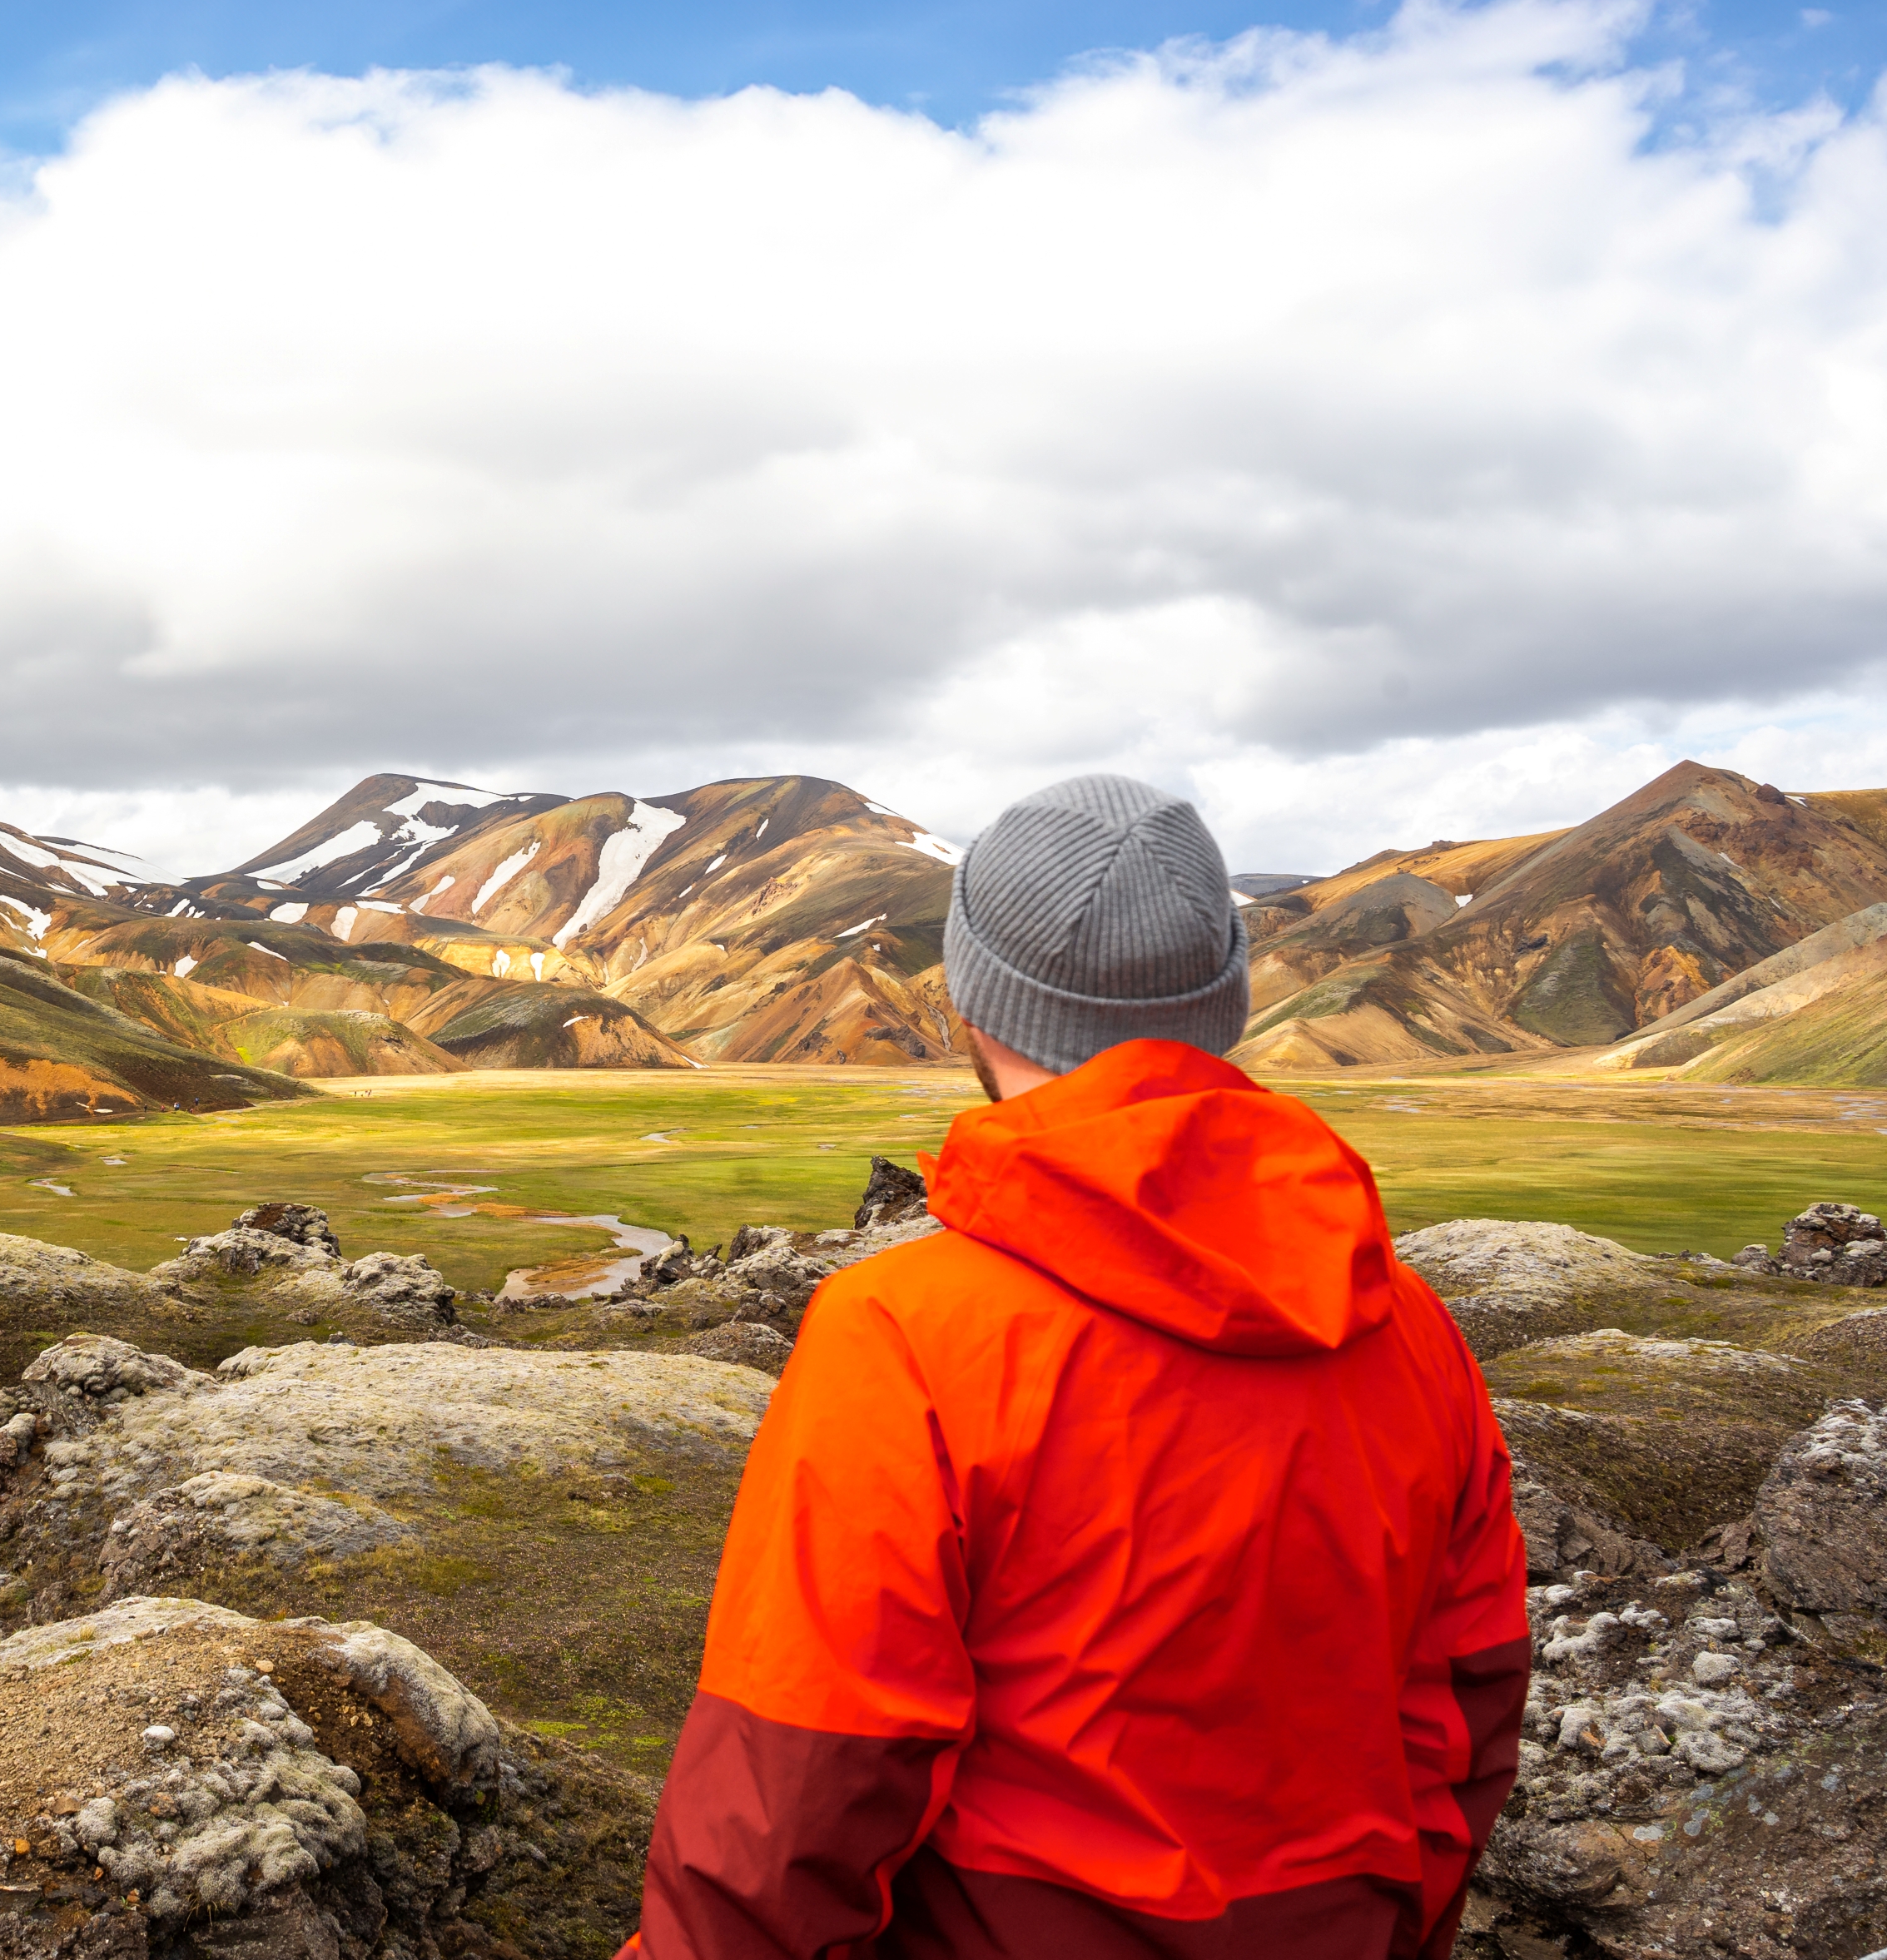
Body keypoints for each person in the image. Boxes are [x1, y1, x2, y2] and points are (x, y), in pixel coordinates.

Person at [626, 775, 1527, 1960]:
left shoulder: (901, 1332)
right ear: (1230, 998)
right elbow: (1461, 1718)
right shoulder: (1411, 1330)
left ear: (969, 999)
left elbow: (800, 1783)